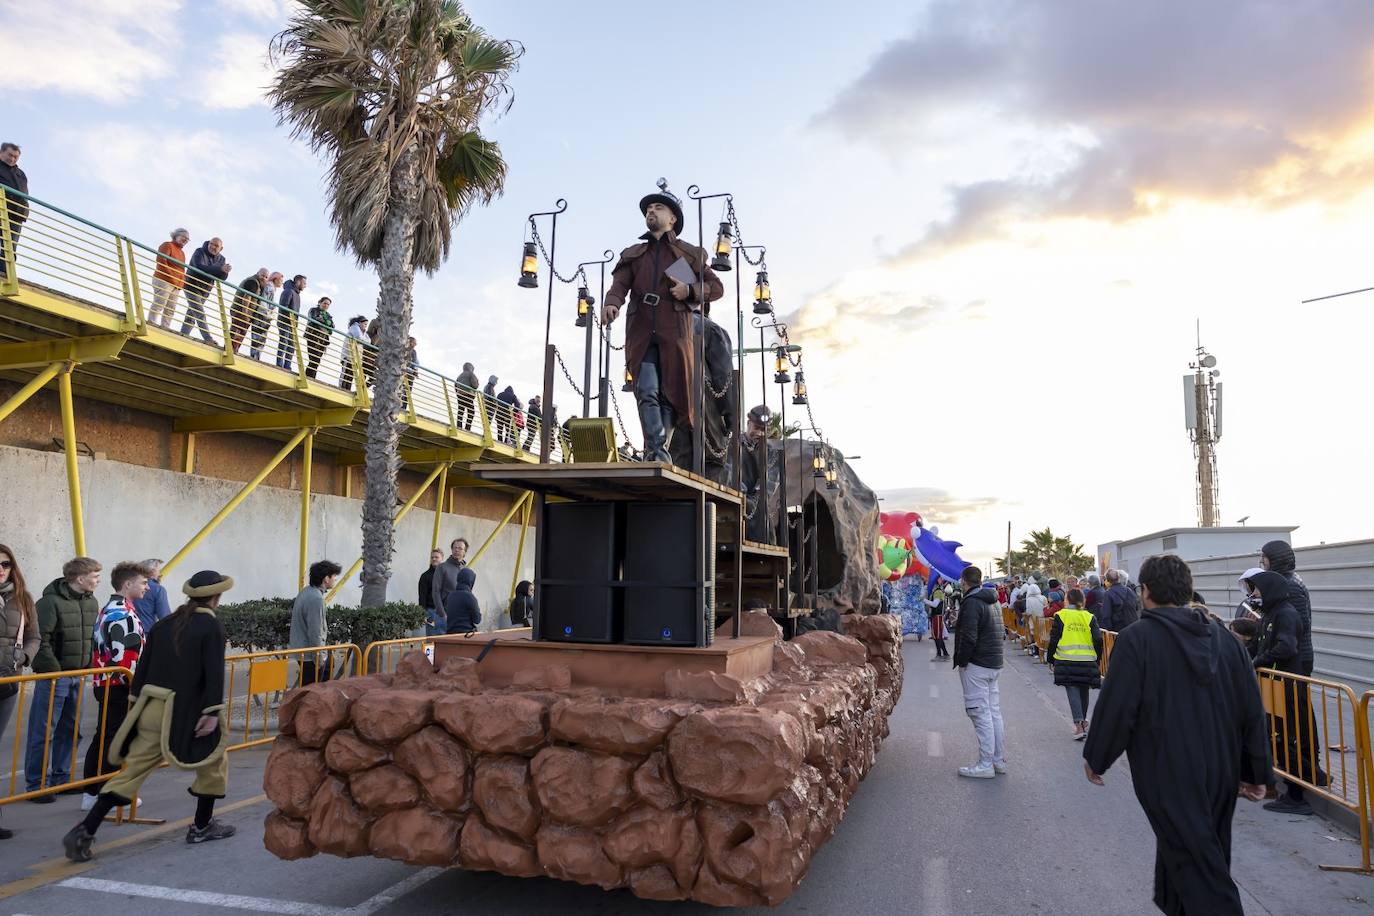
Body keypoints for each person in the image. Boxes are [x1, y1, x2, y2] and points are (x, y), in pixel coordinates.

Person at [1083, 554, 1269, 916]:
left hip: (1167, 770)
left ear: (1146, 591)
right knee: (1196, 850)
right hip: (1221, 768)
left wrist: (1097, 756)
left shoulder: (1138, 639)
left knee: (1199, 865)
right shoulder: (1226, 639)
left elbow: (1119, 705)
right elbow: (1251, 709)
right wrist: (1254, 770)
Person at [62, 570, 238, 861]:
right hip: (187, 710)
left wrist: (136, 705)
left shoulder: (164, 624)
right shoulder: (211, 626)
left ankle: (85, 830)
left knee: (132, 772)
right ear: (217, 596)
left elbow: (141, 670)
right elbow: (213, 672)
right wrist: (211, 711)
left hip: (152, 708)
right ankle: (202, 826)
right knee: (214, 762)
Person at [599, 182, 724, 463]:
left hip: (674, 329)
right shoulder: (634, 253)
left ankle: (658, 451)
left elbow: (716, 288)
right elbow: (619, 284)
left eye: (658, 207)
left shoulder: (689, 254)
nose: (651, 212)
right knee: (646, 389)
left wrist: (690, 291)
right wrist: (611, 302)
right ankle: (656, 451)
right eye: (648, 209)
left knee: (669, 394)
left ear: (673, 218)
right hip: (641, 328)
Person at [26, 557, 101, 800]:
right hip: (54, 677)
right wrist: (56, 671)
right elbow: (40, 639)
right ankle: (36, 785)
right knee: (44, 731)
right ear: (80, 579)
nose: (98, 580)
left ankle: (62, 778)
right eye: (95, 576)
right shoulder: (49, 603)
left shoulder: (91, 602)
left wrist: (87, 666)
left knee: (71, 729)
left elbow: (90, 637)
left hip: (78, 675)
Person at [1248, 568, 1316, 816]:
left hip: (1285, 688)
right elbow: (1259, 644)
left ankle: (1297, 796)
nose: (1254, 594)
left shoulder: (1286, 614)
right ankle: (1291, 789)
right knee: (1278, 738)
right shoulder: (1270, 614)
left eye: (1257, 589)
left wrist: (1257, 662)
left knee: (1288, 739)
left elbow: (1285, 647)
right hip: (1274, 687)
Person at [81, 562, 147, 810]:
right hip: (119, 684)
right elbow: (124, 657)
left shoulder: (116, 608)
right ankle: (105, 793)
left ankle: (94, 793)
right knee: (113, 738)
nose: (147, 587)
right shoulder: (120, 612)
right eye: (143, 582)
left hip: (112, 683)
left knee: (106, 736)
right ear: (127, 584)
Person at [0, 544, 40, 838]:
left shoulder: (22, 598)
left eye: (5, 564)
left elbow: (34, 637)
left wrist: (25, 656)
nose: (1, 569)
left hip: (8, 682)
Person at [952, 567, 1004, 778]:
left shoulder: (972, 602)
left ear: (964, 581)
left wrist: (963, 661)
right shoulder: (994, 600)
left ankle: (985, 764)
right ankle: (998, 760)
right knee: (993, 713)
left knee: (979, 713)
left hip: (977, 664)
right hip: (993, 662)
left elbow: (969, 636)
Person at [1046, 587, 1103, 740]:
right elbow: (1098, 639)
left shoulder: (1061, 615)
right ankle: (1083, 722)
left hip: (1066, 659)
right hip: (1087, 659)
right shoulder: (1089, 616)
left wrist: (1050, 658)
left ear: (1067, 600)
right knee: (1084, 689)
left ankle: (1078, 725)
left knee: (1072, 690)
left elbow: (1054, 639)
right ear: (1082, 600)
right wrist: (1097, 658)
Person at [290, 560, 339, 686]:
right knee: (311, 693)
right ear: (325, 579)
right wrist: (319, 658)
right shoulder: (316, 599)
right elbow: (315, 631)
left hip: (304, 652)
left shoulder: (306, 592)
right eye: (333, 575)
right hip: (310, 655)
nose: (335, 579)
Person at [181, 238, 231, 344]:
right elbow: (200, 267)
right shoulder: (199, 252)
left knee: (192, 313)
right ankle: (208, 338)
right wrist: (219, 269)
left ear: (221, 248)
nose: (212, 247)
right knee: (199, 312)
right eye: (211, 244)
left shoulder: (222, 259)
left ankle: (183, 335)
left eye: (216, 246)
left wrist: (225, 272)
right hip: (192, 286)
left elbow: (221, 277)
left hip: (205, 290)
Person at [148, 228, 190, 329]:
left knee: (171, 308)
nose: (185, 240)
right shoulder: (167, 245)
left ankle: (165, 327)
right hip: (163, 280)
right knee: (160, 302)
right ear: (176, 236)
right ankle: (151, 323)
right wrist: (172, 277)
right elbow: (161, 261)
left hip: (176, 284)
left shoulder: (182, 253)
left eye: (187, 239)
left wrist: (181, 283)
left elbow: (181, 270)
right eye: (183, 237)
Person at [0, 142, 28, 280]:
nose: (12, 159)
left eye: (16, 157)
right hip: (1, 208)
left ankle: (6, 273)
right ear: (2, 152)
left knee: (11, 246)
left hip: (17, 213)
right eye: (10, 155)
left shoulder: (20, 173)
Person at [228, 268, 270, 356]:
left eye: (266, 277)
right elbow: (246, 298)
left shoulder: (258, 283)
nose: (264, 278)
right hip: (241, 311)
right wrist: (245, 313)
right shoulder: (253, 282)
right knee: (238, 331)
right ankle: (231, 350)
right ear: (258, 273)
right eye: (262, 275)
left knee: (239, 332)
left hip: (243, 312)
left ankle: (232, 349)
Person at [131, 559, 172, 642]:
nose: (160, 573)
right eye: (159, 570)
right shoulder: (158, 589)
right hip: (147, 633)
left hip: (129, 630)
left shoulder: (131, 585)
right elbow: (165, 616)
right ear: (152, 571)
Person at [276, 274, 306, 370]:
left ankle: (287, 365)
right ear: (298, 282)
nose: (305, 285)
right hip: (285, 321)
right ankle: (279, 364)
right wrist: (290, 318)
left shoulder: (297, 294)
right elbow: (283, 306)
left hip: (292, 324)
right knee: (284, 341)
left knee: (291, 345)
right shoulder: (288, 291)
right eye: (304, 283)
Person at [431, 538, 468, 613]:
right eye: (455, 548)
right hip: (445, 615)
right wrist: (442, 614)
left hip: (461, 615)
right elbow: (436, 592)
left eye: (460, 548)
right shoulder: (442, 567)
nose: (456, 550)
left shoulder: (466, 571)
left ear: (464, 552)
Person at [254, 272, 285, 360]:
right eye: (281, 280)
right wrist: (267, 315)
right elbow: (264, 301)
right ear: (275, 279)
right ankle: (255, 358)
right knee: (259, 340)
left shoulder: (272, 287)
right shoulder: (270, 287)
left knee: (260, 340)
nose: (281, 282)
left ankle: (256, 357)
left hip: (264, 316)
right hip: (262, 317)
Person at [443, 567, 482, 634]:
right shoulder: (469, 597)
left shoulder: (450, 596)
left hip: (450, 634)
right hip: (466, 635)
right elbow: (477, 620)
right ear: (471, 581)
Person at [304, 296, 334, 379]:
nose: (326, 305)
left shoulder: (328, 315)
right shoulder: (313, 310)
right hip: (313, 336)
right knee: (313, 359)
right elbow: (315, 319)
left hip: (323, 340)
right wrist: (326, 323)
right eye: (324, 303)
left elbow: (332, 326)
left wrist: (326, 323)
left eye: (328, 304)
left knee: (317, 360)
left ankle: (312, 378)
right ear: (320, 302)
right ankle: (308, 377)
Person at [419, 550, 445, 636]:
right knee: (431, 640)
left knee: (446, 640)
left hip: (446, 612)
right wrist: (423, 613)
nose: (434, 559)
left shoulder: (446, 574)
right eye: (432, 557)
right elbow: (422, 596)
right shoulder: (425, 576)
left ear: (442, 558)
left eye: (436, 557)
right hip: (431, 612)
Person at [339, 314, 369, 390]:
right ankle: (341, 389)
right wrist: (363, 340)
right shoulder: (354, 327)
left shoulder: (364, 332)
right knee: (345, 374)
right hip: (348, 355)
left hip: (356, 357)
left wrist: (362, 340)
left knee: (351, 376)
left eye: (366, 325)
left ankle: (347, 390)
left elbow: (369, 342)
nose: (366, 326)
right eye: (365, 324)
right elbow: (358, 337)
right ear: (360, 322)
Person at [926, 585, 949, 659]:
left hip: (937, 616)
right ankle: (944, 654)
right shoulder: (936, 591)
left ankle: (940, 654)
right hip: (935, 616)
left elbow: (935, 604)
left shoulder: (938, 592)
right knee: (937, 636)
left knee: (937, 636)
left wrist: (924, 600)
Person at [455, 363, 480, 431]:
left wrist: (458, 394)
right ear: (470, 368)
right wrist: (477, 383)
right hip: (468, 395)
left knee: (460, 411)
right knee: (471, 412)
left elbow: (455, 385)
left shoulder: (459, 375)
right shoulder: (471, 374)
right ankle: (467, 428)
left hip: (460, 395)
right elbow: (475, 385)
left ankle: (459, 426)